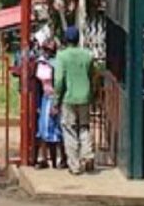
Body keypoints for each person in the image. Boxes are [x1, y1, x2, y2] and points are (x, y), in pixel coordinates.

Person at [54, 25, 95, 175]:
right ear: (78, 39)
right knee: (84, 127)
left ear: (65, 39)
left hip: (68, 98)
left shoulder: (62, 56)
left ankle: (75, 165)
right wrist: (92, 95)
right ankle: (88, 154)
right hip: (84, 96)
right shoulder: (88, 55)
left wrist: (55, 100)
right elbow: (91, 76)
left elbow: (59, 81)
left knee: (69, 129)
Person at [34, 40, 66, 169]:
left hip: (56, 98)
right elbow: (38, 84)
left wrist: (56, 102)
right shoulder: (40, 63)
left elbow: (59, 83)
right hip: (45, 98)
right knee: (44, 128)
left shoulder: (57, 64)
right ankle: (45, 159)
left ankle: (62, 158)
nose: (46, 53)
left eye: (49, 50)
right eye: (45, 50)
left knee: (59, 129)